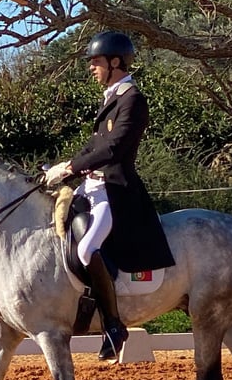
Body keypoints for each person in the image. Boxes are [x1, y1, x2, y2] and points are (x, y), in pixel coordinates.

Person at [45, 31, 176, 361]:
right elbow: (95, 147)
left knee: (89, 249)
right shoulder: (111, 99)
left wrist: (72, 166)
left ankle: (114, 325)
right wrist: (63, 166)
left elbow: (115, 148)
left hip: (114, 191)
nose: (92, 67)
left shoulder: (132, 99)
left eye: (96, 61)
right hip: (91, 188)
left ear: (115, 62)